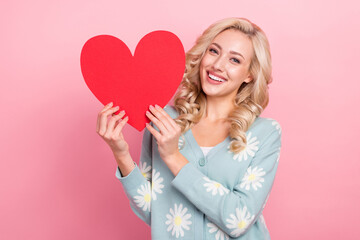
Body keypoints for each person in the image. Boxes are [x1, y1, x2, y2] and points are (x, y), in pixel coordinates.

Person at [96, 17, 282, 240]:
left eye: (234, 60)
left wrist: (173, 157)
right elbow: (154, 213)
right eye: (214, 51)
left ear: (249, 74)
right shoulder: (163, 120)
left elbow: (238, 219)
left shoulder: (265, 133)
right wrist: (121, 154)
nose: (218, 65)